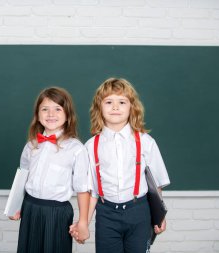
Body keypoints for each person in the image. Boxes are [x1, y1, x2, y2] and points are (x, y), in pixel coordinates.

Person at [71, 77, 170, 252]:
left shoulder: (146, 142)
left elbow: (156, 185)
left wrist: (159, 215)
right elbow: (92, 190)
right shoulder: (91, 146)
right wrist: (83, 222)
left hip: (139, 212)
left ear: (132, 107)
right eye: (109, 102)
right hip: (106, 214)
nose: (115, 107)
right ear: (99, 108)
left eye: (122, 102)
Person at [9, 87, 90, 253]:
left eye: (57, 109)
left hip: (57, 213)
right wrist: (14, 206)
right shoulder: (31, 145)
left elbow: (83, 188)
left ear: (68, 115)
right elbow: (22, 176)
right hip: (30, 207)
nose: (51, 114)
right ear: (38, 115)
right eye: (45, 109)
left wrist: (83, 222)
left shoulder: (76, 149)